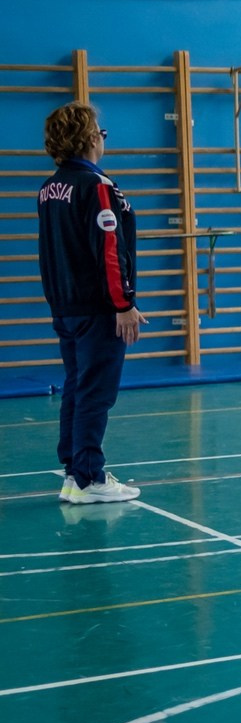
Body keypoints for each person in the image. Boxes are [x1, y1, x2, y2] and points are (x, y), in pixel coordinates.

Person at [37, 102, 143, 504]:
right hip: (97, 308)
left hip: (66, 306)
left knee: (77, 388)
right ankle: (87, 478)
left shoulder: (50, 188)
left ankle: (74, 473)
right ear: (86, 138)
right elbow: (108, 247)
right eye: (101, 131)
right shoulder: (96, 186)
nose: (103, 137)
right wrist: (123, 303)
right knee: (95, 392)